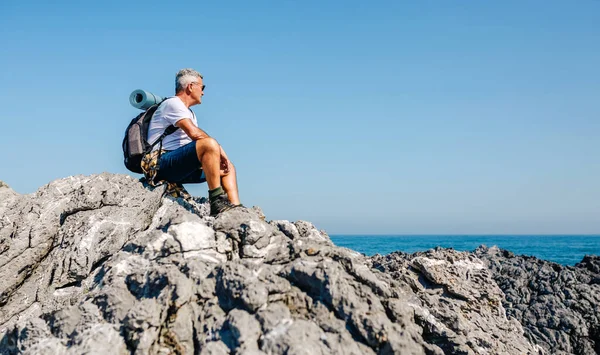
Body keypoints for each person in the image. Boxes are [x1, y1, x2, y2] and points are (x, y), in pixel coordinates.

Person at [141, 68, 241, 216]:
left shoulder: (189, 113)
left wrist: (220, 156)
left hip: (177, 164)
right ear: (190, 86)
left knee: (227, 167)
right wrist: (220, 149)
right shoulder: (173, 104)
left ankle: (235, 209)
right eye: (202, 87)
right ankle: (217, 201)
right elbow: (195, 134)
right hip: (160, 163)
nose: (203, 92)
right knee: (209, 144)